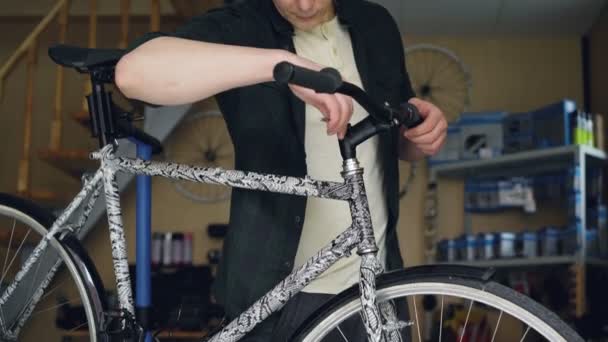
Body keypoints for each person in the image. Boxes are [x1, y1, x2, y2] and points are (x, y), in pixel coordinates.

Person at [116, 0, 447, 340]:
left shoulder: (376, 24)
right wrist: (281, 64)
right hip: (280, 298)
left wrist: (420, 137)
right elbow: (132, 75)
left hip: (376, 282)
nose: (304, 5)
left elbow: (400, 143)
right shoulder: (243, 25)